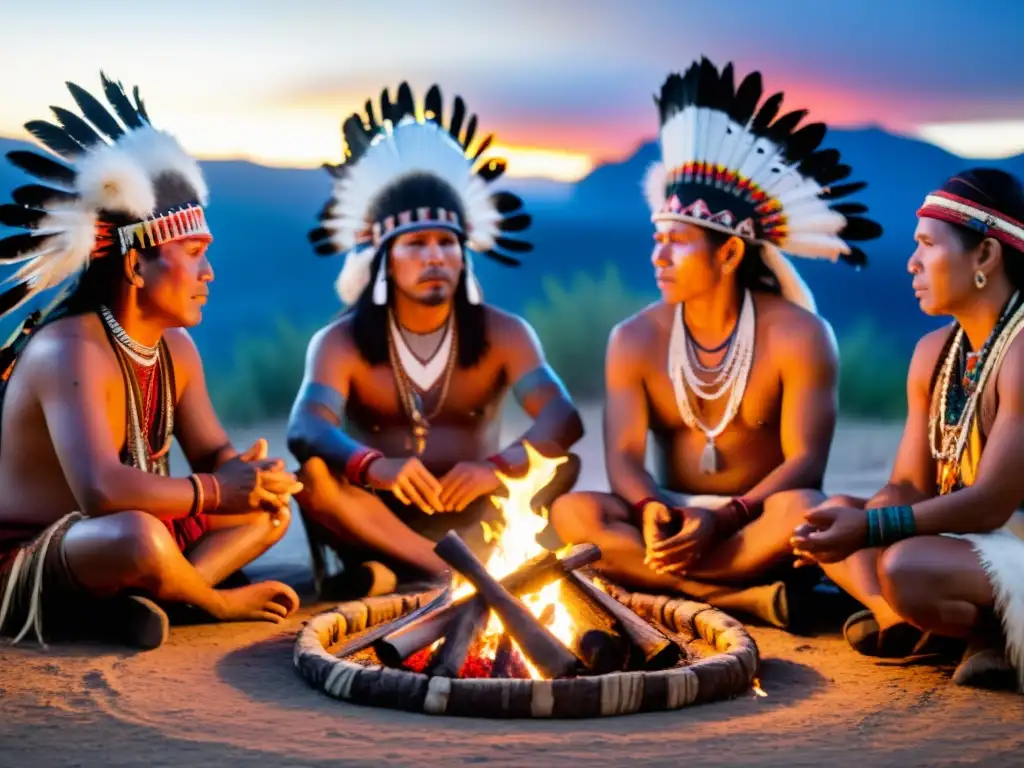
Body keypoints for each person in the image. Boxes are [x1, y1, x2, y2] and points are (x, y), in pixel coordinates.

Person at [549, 57, 882, 629]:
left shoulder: (800, 334)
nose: (658, 257)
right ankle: (736, 599)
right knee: (573, 509)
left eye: (677, 242)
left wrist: (726, 516)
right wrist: (652, 509)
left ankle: (676, 592)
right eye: (657, 239)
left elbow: (804, 463)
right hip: (670, 519)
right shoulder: (634, 338)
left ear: (728, 254)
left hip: (755, 519)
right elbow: (625, 459)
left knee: (806, 511)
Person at [0, 74, 301, 651]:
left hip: (119, 538)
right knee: (137, 537)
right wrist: (216, 493)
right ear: (137, 267)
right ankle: (202, 599)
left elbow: (214, 455)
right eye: (193, 255)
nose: (208, 273)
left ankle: (149, 601)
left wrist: (251, 476)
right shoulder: (70, 349)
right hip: (35, 558)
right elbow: (101, 492)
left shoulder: (174, 352)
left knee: (269, 511)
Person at [288, 82, 584, 599]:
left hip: (477, 507)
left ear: (464, 254)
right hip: (377, 511)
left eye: (447, 242)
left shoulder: (504, 333)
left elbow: (563, 418)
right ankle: (448, 572)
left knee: (560, 464)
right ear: (383, 257)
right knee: (315, 476)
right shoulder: (339, 342)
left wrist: (495, 469)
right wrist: (373, 466)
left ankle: (397, 577)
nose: (434, 258)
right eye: (416, 244)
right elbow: (306, 427)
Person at [792, 168, 1024, 692]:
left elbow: (990, 505)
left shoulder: (1022, 350)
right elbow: (908, 485)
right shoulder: (932, 354)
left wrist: (872, 530)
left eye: (926, 245)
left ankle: (983, 632)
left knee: (903, 564)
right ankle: (931, 624)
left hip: (1012, 538)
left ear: (986, 256)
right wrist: (865, 517)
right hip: (967, 544)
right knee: (829, 514)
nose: (911, 263)